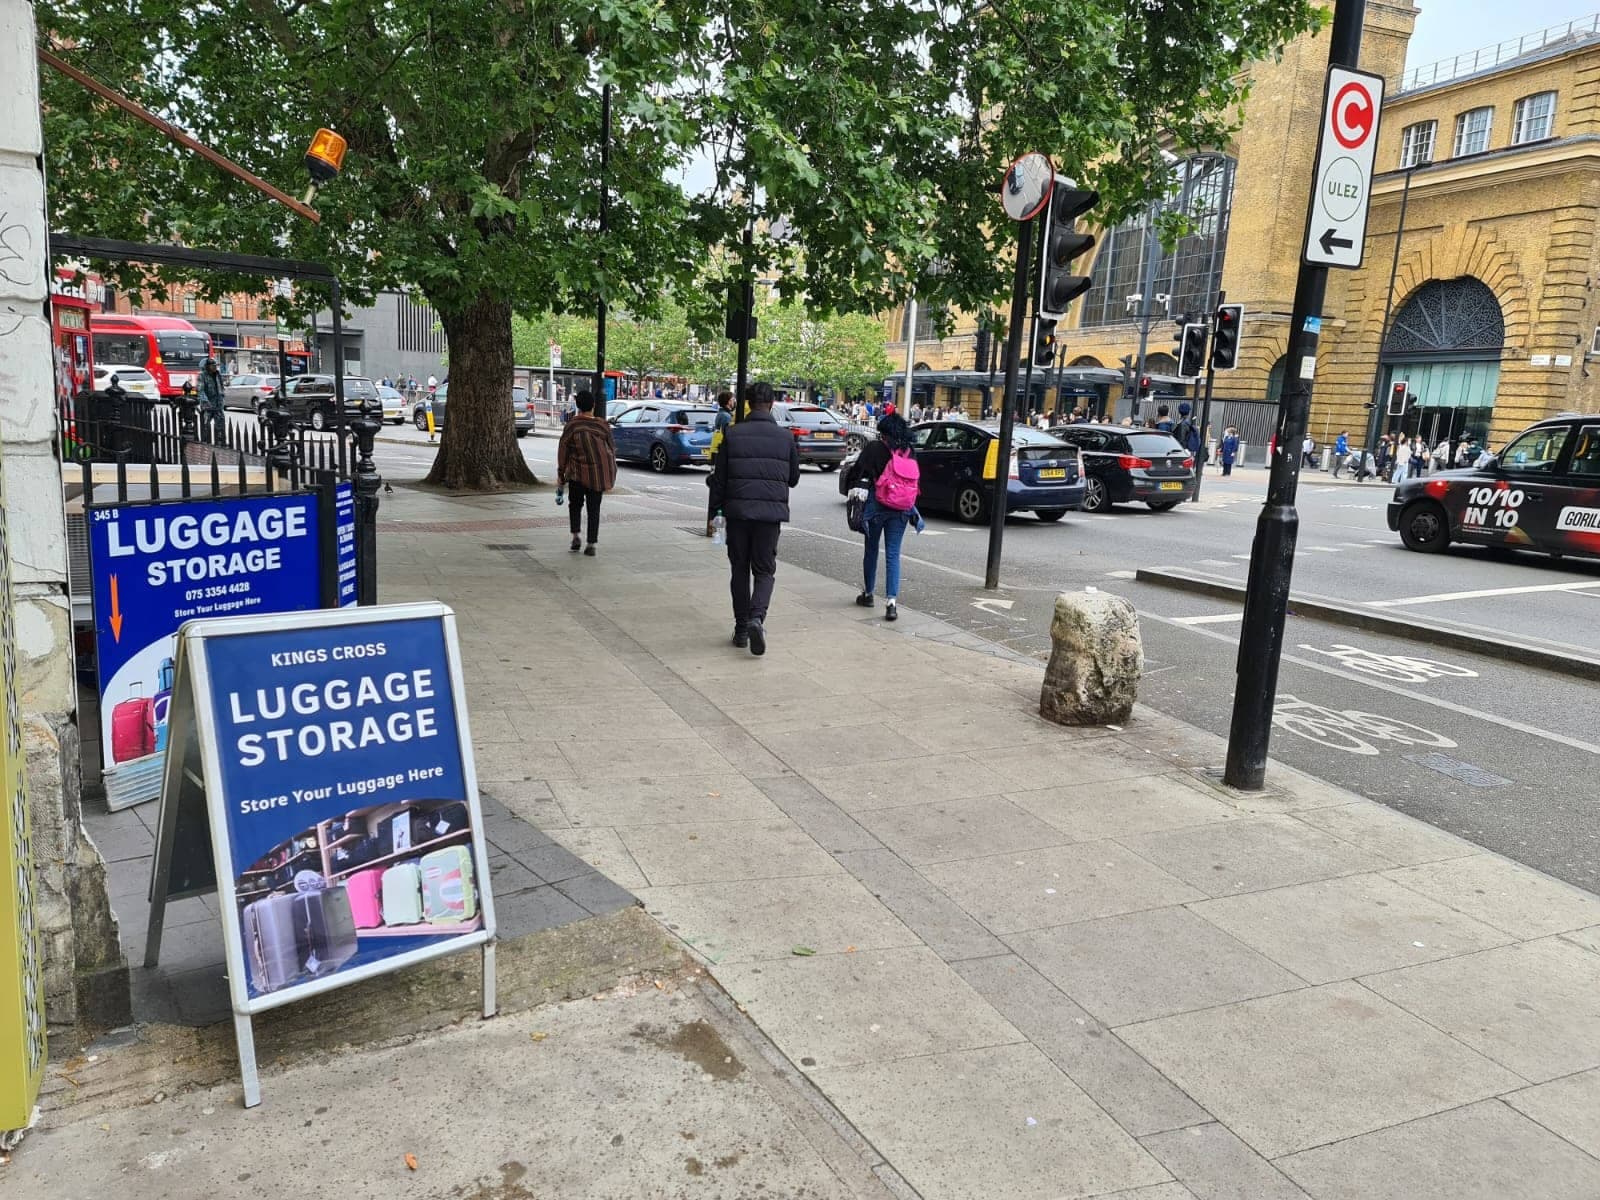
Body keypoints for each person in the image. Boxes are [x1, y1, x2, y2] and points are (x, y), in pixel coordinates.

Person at [708, 381, 800, 655]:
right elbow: (793, 479)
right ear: (772, 404)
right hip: (769, 516)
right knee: (764, 570)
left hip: (737, 515)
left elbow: (720, 481)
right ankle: (756, 618)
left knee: (739, 570)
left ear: (747, 404)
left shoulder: (732, 434)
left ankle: (740, 630)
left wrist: (714, 515)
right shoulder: (785, 438)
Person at [849, 413, 925, 621]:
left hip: (876, 507)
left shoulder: (874, 448)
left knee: (871, 549)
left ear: (883, 432)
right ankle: (891, 603)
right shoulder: (909, 451)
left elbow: (857, 472)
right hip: (901, 509)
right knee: (893, 554)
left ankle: (868, 594)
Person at [556, 389, 616, 556]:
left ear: (578, 406)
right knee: (594, 509)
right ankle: (591, 544)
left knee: (575, 505)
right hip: (598, 476)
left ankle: (576, 536)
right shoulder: (602, 425)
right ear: (594, 406)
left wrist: (561, 474)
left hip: (577, 474)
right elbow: (611, 447)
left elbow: (563, 451)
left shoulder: (572, 426)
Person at [705, 389, 735, 537]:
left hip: (716, 453)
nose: (734, 401)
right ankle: (716, 527)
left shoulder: (722, 414)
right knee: (719, 495)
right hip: (720, 454)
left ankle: (715, 527)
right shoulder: (725, 416)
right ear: (728, 401)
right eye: (732, 399)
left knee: (717, 493)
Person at [197, 356, 226, 443]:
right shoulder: (202, 376)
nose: (214, 367)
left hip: (218, 404)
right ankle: (205, 440)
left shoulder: (218, 374)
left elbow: (221, 386)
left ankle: (221, 441)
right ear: (207, 367)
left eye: (215, 365)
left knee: (221, 423)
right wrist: (205, 401)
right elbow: (200, 390)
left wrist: (222, 395)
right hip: (208, 405)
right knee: (206, 424)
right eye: (212, 365)